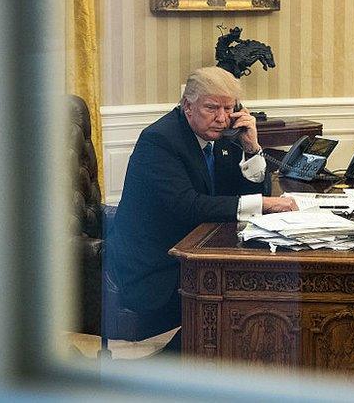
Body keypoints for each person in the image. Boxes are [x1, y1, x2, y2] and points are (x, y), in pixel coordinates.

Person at [105, 67, 297, 341]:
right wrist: (264, 204)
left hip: (194, 255)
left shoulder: (219, 138)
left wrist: (253, 149)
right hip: (155, 270)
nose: (221, 118)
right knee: (241, 297)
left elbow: (240, 193)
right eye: (211, 108)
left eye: (228, 108)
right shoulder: (160, 140)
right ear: (187, 106)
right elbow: (189, 205)